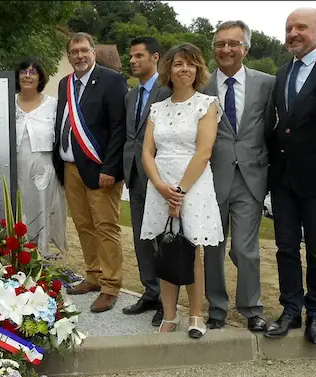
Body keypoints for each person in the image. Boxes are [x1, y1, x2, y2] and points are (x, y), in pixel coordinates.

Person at [140, 43, 224, 339]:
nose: (184, 69)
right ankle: (170, 314)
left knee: (191, 251)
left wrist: (179, 192)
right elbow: (147, 152)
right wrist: (162, 187)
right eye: (178, 64)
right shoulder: (157, 109)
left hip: (193, 185)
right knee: (165, 248)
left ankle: (196, 314)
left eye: (190, 63)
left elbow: (204, 151)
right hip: (160, 184)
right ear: (168, 69)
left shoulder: (207, 104)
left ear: (198, 68)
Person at [202, 21, 274, 333]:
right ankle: (216, 308)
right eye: (220, 44)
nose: (226, 50)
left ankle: (251, 309)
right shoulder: (201, 84)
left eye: (233, 44)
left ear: (245, 48)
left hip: (251, 177)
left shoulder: (267, 84)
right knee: (212, 248)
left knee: (246, 249)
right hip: (210, 178)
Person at [53, 32, 128, 313]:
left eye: (84, 50)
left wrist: (110, 168)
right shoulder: (64, 84)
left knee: (105, 227)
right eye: (74, 52)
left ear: (94, 52)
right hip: (71, 167)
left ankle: (110, 286)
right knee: (84, 225)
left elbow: (119, 128)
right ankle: (94, 276)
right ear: (69, 56)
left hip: (100, 169)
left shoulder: (112, 81)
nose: (80, 56)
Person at [264, 7, 316, 344]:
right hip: (282, 179)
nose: (293, 33)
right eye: (288, 28)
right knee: (285, 247)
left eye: (301, 27)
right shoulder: (282, 73)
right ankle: (291, 310)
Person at [122, 36, 171, 327]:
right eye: (131, 56)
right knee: (141, 237)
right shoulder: (130, 95)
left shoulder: (168, 92)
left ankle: (168, 300)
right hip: (135, 175)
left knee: (162, 240)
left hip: (162, 176)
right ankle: (150, 291)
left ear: (155, 57)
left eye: (138, 55)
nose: (132, 61)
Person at [14, 56, 67, 254]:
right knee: (18, 213)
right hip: (15, 172)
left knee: (41, 211)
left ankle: (41, 258)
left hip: (43, 172)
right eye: (23, 71)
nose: (27, 76)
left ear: (40, 77)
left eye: (33, 72)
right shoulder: (7, 103)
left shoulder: (53, 105)